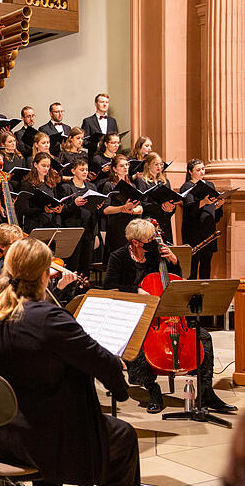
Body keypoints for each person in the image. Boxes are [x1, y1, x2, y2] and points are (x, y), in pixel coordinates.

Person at [0, 237, 140, 486]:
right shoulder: (47, 317)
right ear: (44, 276)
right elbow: (101, 361)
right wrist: (119, 384)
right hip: (36, 438)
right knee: (123, 435)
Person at [103, 218, 236, 414]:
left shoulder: (157, 254)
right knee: (137, 343)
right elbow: (108, 287)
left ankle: (206, 391)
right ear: (135, 242)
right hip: (136, 313)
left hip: (165, 313)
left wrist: (174, 262)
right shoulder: (119, 257)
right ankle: (153, 389)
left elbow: (174, 281)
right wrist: (135, 290)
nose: (155, 242)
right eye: (149, 239)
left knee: (203, 337)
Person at [180, 159, 225, 279]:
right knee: (193, 267)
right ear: (190, 171)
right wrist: (203, 202)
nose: (201, 172)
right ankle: (192, 297)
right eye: (198, 170)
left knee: (206, 265)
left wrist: (218, 206)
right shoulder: (187, 186)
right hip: (194, 230)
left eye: (203, 169)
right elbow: (189, 209)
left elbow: (211, 210)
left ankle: (204, 296)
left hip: (208, 229)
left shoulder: (209, 185)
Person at [58, 156, 101, 275]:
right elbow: (62, 210)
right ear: (73, 171)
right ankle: (70, 291)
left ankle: (84, 290)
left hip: (88, 230)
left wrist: (98, 207)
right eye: (82, 169)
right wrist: (74, 204)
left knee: (86, 265)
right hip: (73, 230)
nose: (85, 172)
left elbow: (94, 208)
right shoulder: (66, 188)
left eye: (86, 169)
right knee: (73, 265)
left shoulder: (92, 187)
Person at [101, 154, 143, 263]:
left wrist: (132, 210)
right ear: (114, 169)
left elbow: (140, 208)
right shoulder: (109, 185)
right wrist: (122, 208)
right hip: (117, 227)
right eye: (121, 166)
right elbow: (105, 210)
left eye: (127, 165)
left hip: (131, 227)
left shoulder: (133, 186)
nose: (126, 168)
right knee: (119, 260)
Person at [134, 152, 176, 242]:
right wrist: (161, 207)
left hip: (164, 222)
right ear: (148, 165)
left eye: (161, 164)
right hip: (149, 221)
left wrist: (171, 208)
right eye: (156, 164)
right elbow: (143, 203)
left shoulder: (165, 181)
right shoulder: (141, 181)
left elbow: (171, 200)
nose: (159, 167)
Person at [16, 152, 62, 233]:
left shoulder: (51, 183)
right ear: (35, 164)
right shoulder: (28, 184)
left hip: (50, 225)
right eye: (43, 166)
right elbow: (23, 209)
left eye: (48, 166)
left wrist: (57, 210)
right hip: (34, 225)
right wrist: (43, 209)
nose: (46, 169)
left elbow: (55, 202)